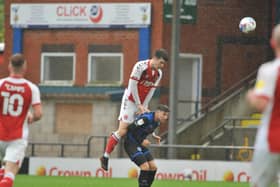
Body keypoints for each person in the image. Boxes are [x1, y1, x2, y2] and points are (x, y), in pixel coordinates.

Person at [100, 49, 169, 171]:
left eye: (164, 64)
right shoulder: (140, 66)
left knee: (142, 125)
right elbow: (132, 86)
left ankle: (137, 148)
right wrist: (138, 104)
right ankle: (105, 156)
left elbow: (151, 91)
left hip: (141, 103)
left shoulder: (158, 73)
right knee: (122, 131)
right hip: (130, 100)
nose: (162, 66)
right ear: (156, 58)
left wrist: (144, 106)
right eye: (162, 63)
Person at [0, 53, 42, 187]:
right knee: (9, 175)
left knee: (3, 171)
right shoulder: (31, 88)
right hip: (17, 138)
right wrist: (31, 117)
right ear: (25, 67)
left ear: (9, 66)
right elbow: (39, 113)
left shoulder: (1, 84)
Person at [246, 24, 280, 187]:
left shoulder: (269, 70)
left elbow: (261, 103)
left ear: (273, 43)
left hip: (272, 139)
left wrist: (251, 95)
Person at [124, 104, 169, 187]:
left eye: (167, 115)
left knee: (153, 167)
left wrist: (153, 135)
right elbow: (130, 128)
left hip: (139, 144)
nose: (166, 117)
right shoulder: (146, 118)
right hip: (131, 143)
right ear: (158, 112)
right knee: (145, 167)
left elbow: (147, 128)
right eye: (164, 114)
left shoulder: (157, 122)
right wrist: (141, 141)